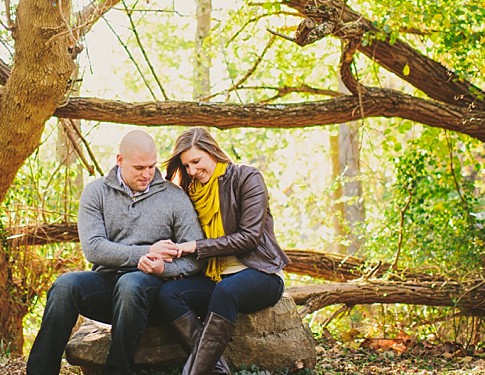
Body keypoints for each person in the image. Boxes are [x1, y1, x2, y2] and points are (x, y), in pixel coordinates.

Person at [26, 129, 205, 375]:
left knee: (131, 283)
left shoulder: (174, 197)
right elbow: (94, 248)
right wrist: (144, 252)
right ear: (120, 160)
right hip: (107, 284)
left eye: (151, 167)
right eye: (139, 168)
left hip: (150, 290)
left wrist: (165, 268)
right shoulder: (96, 192)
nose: (147, 174)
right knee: (65, 285)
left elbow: (196, 256)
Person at [155, 127, 290, 375]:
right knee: (168, 293)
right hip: (215, 278)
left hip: (260, 273)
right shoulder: (191, 193)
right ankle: (217, 372)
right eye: (186, 166)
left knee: (227, 291)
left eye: (196, 161)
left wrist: (196, 247)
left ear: (212, 151)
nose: (192, 171)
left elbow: (249, 238)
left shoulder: (247, 178)